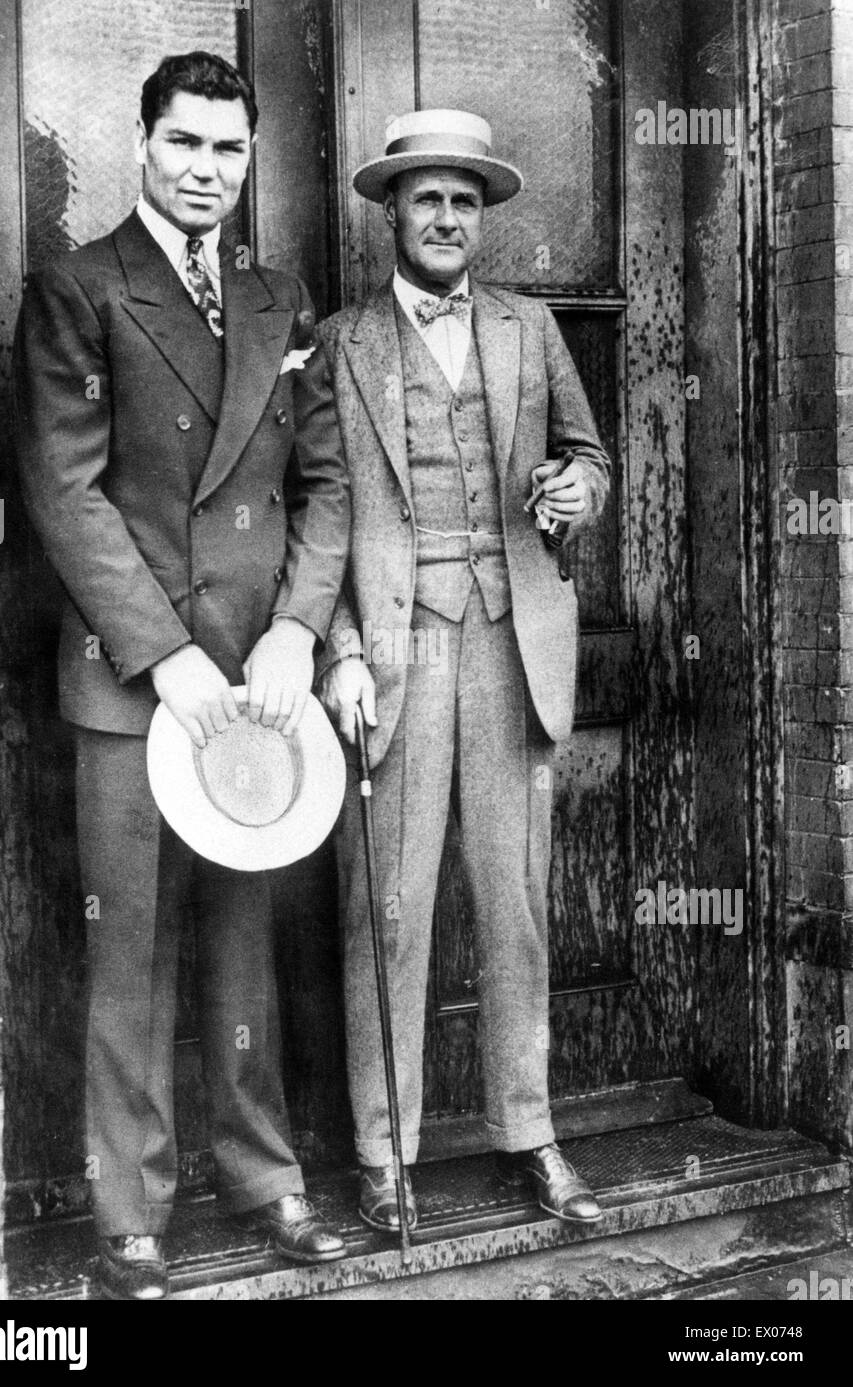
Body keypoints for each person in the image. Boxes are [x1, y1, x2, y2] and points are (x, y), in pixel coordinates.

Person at [13, 51, 350, 1299]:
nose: (207, 170)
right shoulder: (80, 288)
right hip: (132, 682)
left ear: (249, 159)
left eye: (229, 149)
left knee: (245, 943)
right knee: (133, 950)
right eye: (185, 144)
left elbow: (326, 487)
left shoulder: (278, 296)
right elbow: (65, 491)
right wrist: (165, 658)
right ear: (141, 146)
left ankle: (266, 1182)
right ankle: (130, 1215)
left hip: (261, 690)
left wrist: (296, 633)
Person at [317, 109, 610, 1233]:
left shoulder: (528, 329)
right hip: (391, 650)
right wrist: (340, 650)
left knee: (515, 908)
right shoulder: (342, 344)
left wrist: (576, 490)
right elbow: (319, 513)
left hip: (508, 642)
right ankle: (382, 1154)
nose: (446, 219)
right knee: (384, 912)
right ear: (390, 211)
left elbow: (585, 454)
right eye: (425, 198)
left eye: (464, 201)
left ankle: (528, 1134)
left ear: (480, 218)